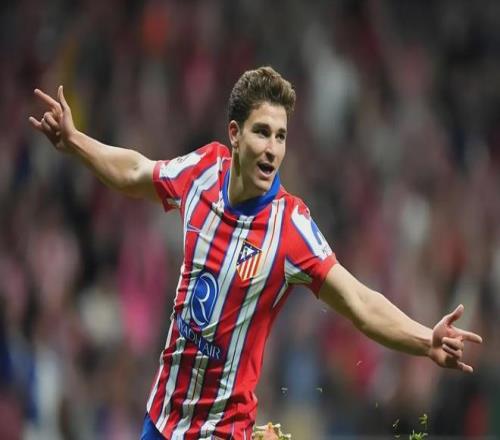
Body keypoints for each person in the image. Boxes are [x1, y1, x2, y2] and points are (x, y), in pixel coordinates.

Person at [29, 67, 482, 440]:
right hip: (162, 420)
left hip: (221, 432)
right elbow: (136, 172)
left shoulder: (291, 227)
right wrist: (75, 141)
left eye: (280, 137)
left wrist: (425, 340)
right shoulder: (204, 171)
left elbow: (359, 302)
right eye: (262, 133)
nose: (272, 149)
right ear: (235, 134)